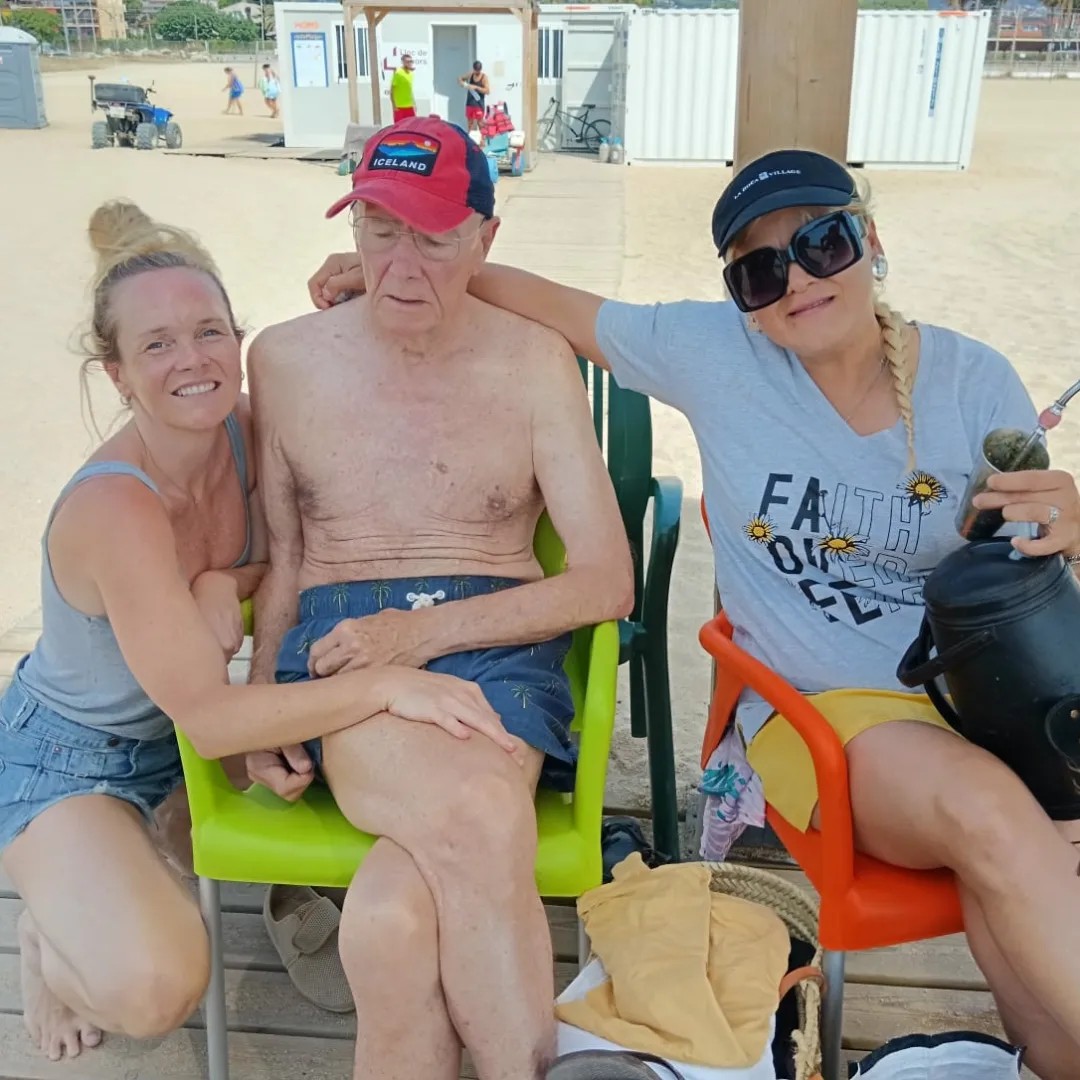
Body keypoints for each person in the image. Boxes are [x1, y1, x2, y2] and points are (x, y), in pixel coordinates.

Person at [308, 149, 1080, 1080]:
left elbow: (1028, 575)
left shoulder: (974, 380)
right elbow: (554, 302)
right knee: (991, 812)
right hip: (826, 716)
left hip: (982, 702)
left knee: (1037, 963)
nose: (797, 281)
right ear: (739, 296)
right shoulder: (717, 354)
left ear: (869, 239)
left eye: (823, 243)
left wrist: (1070, 528)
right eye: (761, 271)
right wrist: (411, 270)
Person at [1, 201, 507, 1064]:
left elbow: (291, 548)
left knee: (420, 796)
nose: (192, 359)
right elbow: (210, 718)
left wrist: (217, 582)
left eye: (209, 331)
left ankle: (146, 864)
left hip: (190, 741)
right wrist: (391, 682)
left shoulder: (242, 430)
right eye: (157, 344)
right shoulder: (115, 508)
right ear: (117, 374)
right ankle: (49, 940)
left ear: (237, 338)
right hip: (78, 758)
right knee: (158, 989)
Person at [247, 114, 633, 1079]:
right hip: (342, 643)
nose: (401, 267)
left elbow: (607, 581)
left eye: (433, 237)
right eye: (380, 232)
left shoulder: (533, 361)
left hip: (497, 642)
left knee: (388, 921)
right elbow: (284, 558)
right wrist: (261, 707)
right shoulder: (286, 360)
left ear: (485, 239)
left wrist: (417, 636)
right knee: (476, 820)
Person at [460, 59, 489, 133]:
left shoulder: (484, 77)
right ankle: (470, 137)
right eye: (476, 70)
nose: (477, 72)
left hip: (479, 104)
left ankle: (482, 138)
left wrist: (476, 87)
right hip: (469, 103)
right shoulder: (471, 74)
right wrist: (464, 84)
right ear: (474, 69)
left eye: (478, 71)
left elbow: (487, 91)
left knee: (480, 124)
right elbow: (460, 79)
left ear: (480, 69)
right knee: (470, 124)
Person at [389, 52, 416, 123]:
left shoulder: (410, 74)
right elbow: (391, 91)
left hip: (409, 107)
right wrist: (394, 106)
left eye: (411, 61)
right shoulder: (398, 73)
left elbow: (409, 90)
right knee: (400, 127)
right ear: (403, 62)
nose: (409, 63)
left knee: (411, 126)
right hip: (399, 107)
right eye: (407, 62)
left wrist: (414, 104)